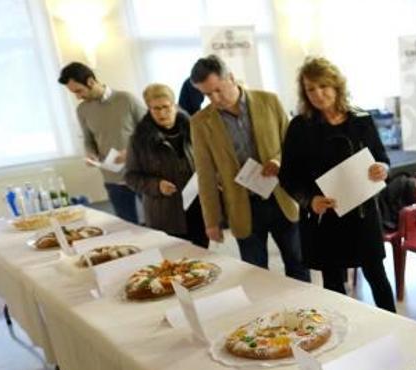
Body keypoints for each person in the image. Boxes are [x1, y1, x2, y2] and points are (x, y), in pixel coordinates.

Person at [281, 57, 396, 312]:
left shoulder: (360, 119)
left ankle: (397, 331)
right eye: (311, 89)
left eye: (323, 86)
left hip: (363, 215)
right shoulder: (300, 127)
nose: (318, 94)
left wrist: (383, 169)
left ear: (336, 86)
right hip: (325, 219)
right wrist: (309, 200)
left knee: (377, 277)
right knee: (333, 285)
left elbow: (382, 159)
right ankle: (344, 338)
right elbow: (288, 176)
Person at [189, 55, 310, 281]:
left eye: (217, 90)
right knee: (255, 274)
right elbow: (204, 175)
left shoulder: (269, 101)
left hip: (281, 197)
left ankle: (306, 314)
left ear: (231, 78)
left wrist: (278, 161)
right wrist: (212, 221)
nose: (214, 99)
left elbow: (293, 146)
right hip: (243, 205)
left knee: (298, 264)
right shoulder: (200, 123)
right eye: (206, 94)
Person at [58, 62, 143, 223]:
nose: (77, 97)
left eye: (79, 91)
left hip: (141, 173)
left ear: (90, 81)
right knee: (127, 226)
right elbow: (88, 139)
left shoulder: (126, 99)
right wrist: (90, 154)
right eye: (73, 93)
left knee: (156, 225)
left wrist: (131, 152)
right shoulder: (82, 110)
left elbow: (150, 132)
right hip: (112, 179)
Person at [124, 83, 208, 248]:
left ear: (175, 105)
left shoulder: (194, 130)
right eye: (155, 109)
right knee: (175, 261)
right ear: (149, 109)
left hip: (197, 209)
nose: (162, 113)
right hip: (165, 213)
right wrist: (157, 185)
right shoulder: (138, 139)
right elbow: (131, 177)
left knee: (202, 257)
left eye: (166, 107)